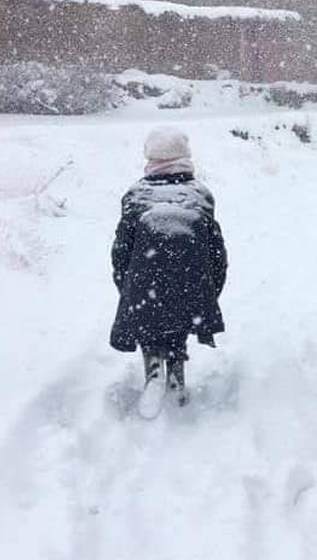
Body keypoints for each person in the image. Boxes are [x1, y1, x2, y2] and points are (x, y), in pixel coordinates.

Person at [110, 127, 227, 413]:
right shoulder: (201, 195)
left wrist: (126, 287)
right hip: (192, 281)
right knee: (179, 313)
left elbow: (121, 251)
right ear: (184, 157)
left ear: (151, 157)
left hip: (143, 281)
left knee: (149, 317)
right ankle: (176, 369)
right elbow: (216, 251)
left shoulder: (136, 196)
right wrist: (210, 288)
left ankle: (152, 367)